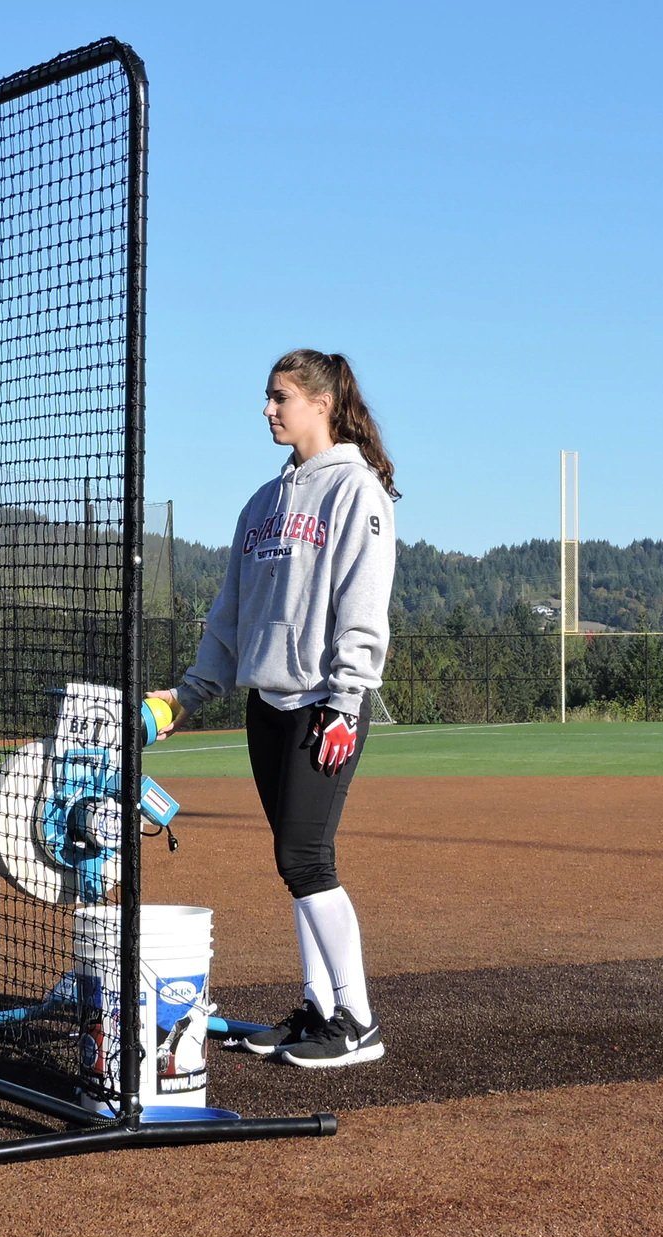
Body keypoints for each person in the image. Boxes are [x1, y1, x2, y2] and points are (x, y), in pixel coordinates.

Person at [150, 348, 397, 1068]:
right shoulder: (260, 505)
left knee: (306, 856)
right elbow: (228, 617)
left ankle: (358, 1023)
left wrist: (347, 701)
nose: (268, 408)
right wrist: (188, 695)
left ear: (321, 403)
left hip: (325, 703)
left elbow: (363, 606)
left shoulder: (358, 494)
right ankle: (320, 1010)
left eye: (279, 396)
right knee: (296, 865)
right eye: (267, 397)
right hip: (268, 705)